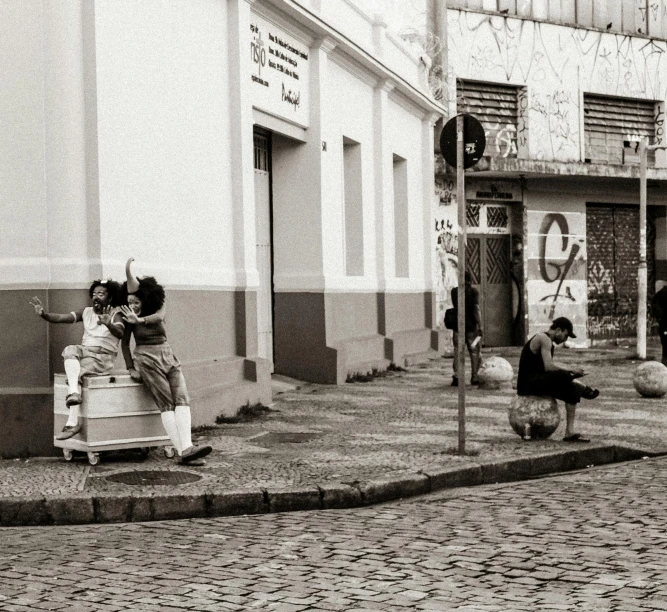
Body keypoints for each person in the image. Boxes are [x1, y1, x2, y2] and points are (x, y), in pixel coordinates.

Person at [120, 258, 212, 464]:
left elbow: (159, 318)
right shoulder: (127, 317)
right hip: (146, 358)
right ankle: (185, 450)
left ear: (146, 299)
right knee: (166, 404)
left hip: (168, 354)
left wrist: (140, 320)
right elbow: (125, 344)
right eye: (129, 302)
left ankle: (187, 449)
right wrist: (130, 367)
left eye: (136, 302)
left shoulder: (158, 307)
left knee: (182, 398)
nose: (132, 305)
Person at [29, 280, 125, 440]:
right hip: (85, 352)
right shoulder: (86, 312)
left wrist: (109, 324)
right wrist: (43, 314)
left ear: (110, 297)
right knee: (69, 350)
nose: (96, 297)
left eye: (101, 294)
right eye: (94, 294)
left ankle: (72, 422)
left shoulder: (116, 314)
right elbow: (61, 318)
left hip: (103, 358)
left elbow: (120, 333)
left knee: (75, 372)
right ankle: (73, 392)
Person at [516, 317, 599, 443]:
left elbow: (549, 368)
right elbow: (549, 367)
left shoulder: (547, 341)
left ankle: (569, 432)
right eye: (565, 336)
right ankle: (583, 387)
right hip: (528, 384)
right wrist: (571, 371)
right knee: (564, 376)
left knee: (572, 390)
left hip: (538, 381)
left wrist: (570, 372)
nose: (565, 340)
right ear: (559, 330)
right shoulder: (544, 339)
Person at [450, 271, 483, 386]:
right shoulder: (474, 292)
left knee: (458, 350)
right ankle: (474, 377)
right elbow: (476, 310)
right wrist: (480, 325)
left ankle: (457, 376)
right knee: (474, 351)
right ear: (470, 280)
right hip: (471, 328)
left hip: (457, 327)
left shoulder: (454, 292)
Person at [652, 284, 667, 366]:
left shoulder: (660, 293)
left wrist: (660, 320)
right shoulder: (662, 294)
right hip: (665, 324)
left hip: (664, 325)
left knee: (665, 349)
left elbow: (655, 309)